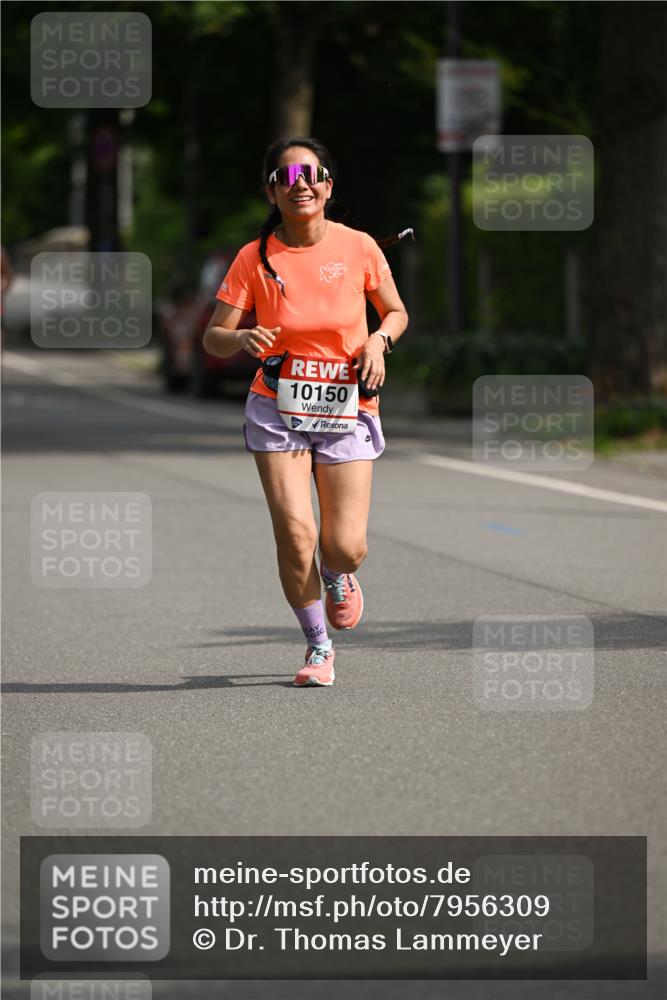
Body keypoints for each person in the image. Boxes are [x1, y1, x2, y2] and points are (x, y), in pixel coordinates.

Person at [203, 137, 408, 687]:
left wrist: (377, 343)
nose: (300, 183)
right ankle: (318, 646)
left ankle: (339, 574)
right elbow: (214, 337)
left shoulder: (360, 246)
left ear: (328, 187)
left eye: (311, 174)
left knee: (344, 544)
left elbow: (394, 312)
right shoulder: (254, 257)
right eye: (286, 175)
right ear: (271, 190)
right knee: (296, 535)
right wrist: (242, 335)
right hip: (276, 405)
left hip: (347, 403)